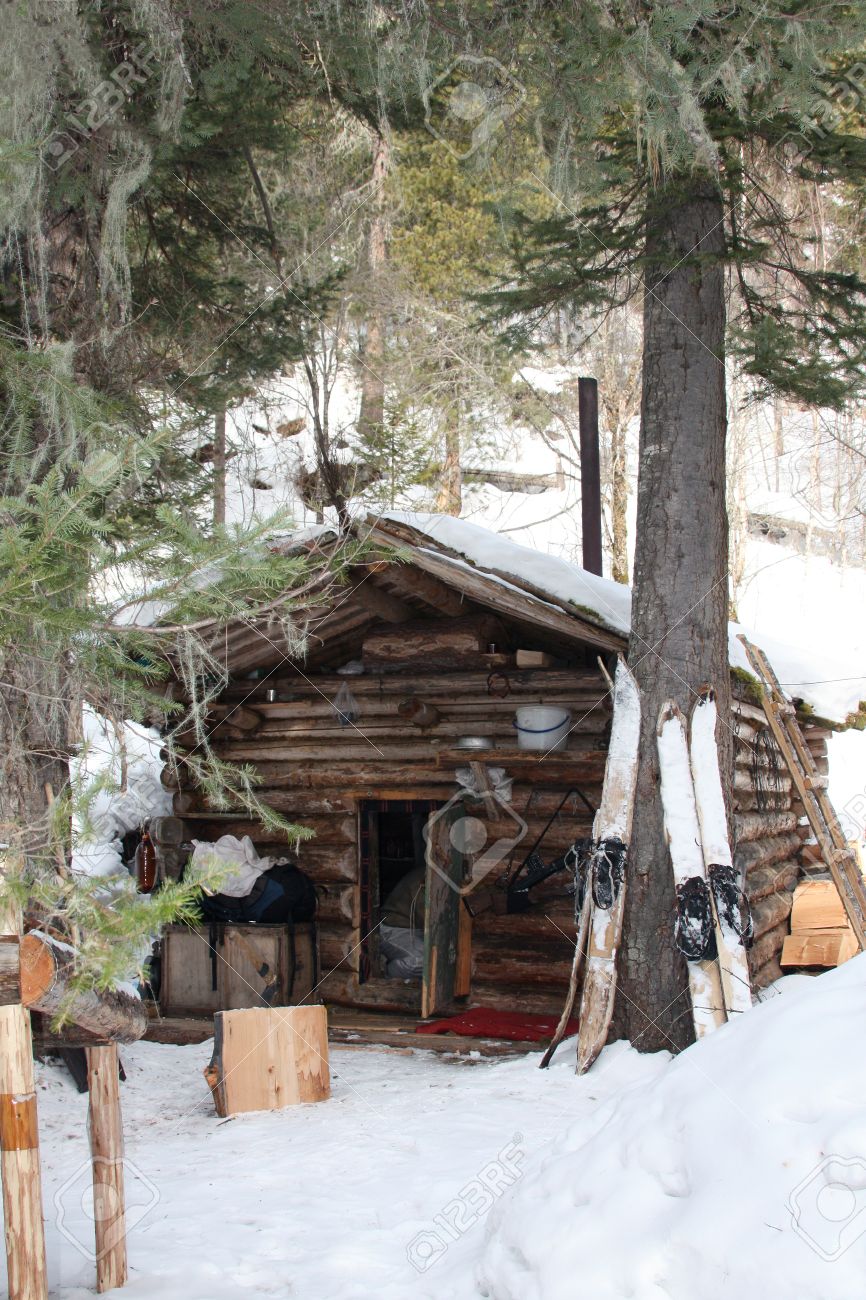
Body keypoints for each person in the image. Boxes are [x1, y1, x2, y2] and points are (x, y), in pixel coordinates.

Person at [379, 864, 425, 978]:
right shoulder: (426, 878)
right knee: (425, 962)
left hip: (416, 929)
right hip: (392, 928)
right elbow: (432, 924)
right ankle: (386, 977)